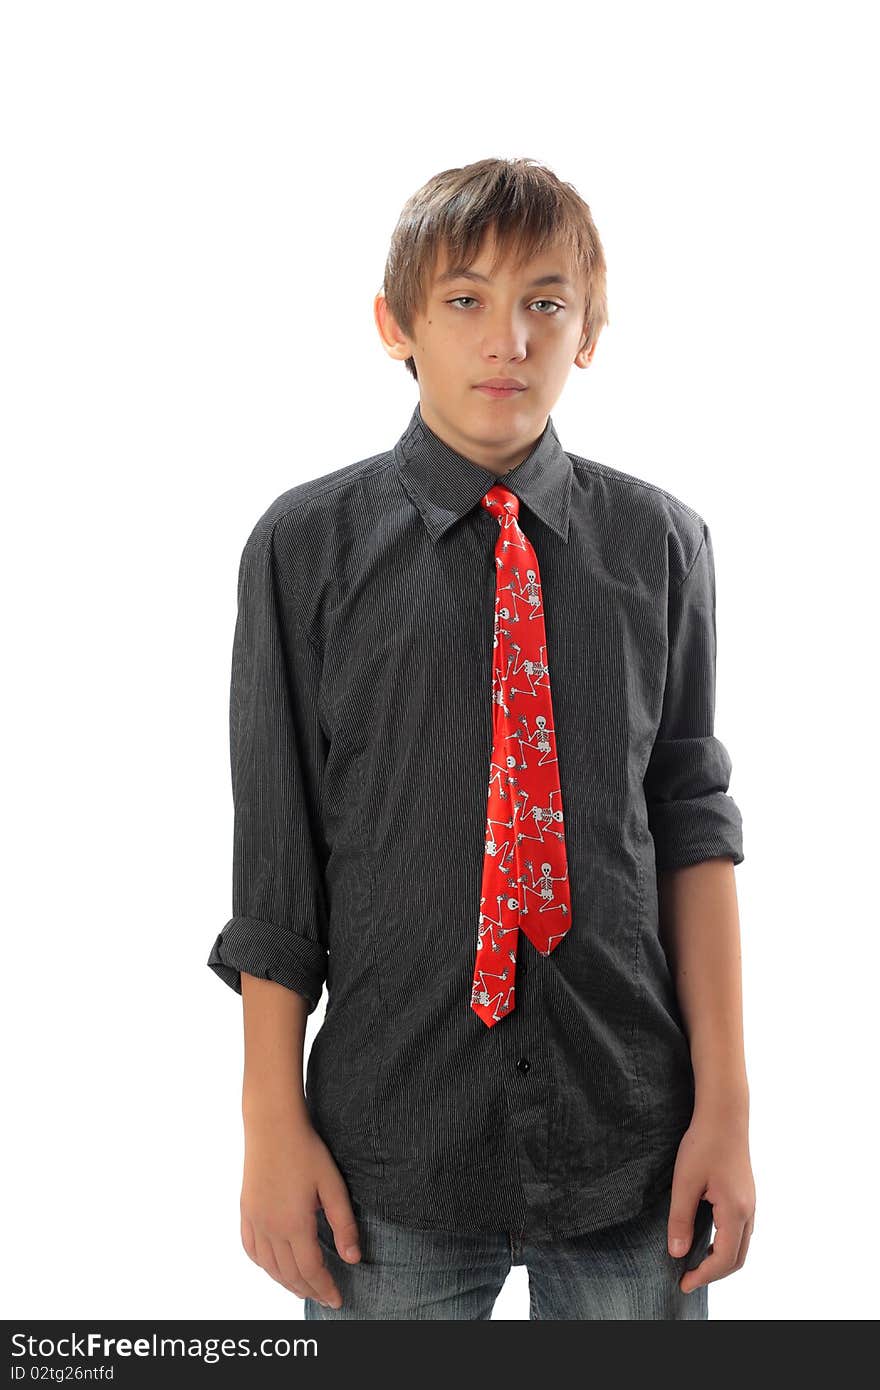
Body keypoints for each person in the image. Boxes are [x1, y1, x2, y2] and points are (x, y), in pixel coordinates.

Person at [206, 156, 755, 1320]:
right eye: (464, 300)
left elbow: (690, 827)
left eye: (544, 303)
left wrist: (727, 1106)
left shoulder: (664, 545)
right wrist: (267, 1125)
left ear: (589, 332)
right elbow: (277, 862)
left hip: (630, 1141)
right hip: (388, 1145)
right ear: (394, 323)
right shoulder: (303, 549)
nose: (507, 337)